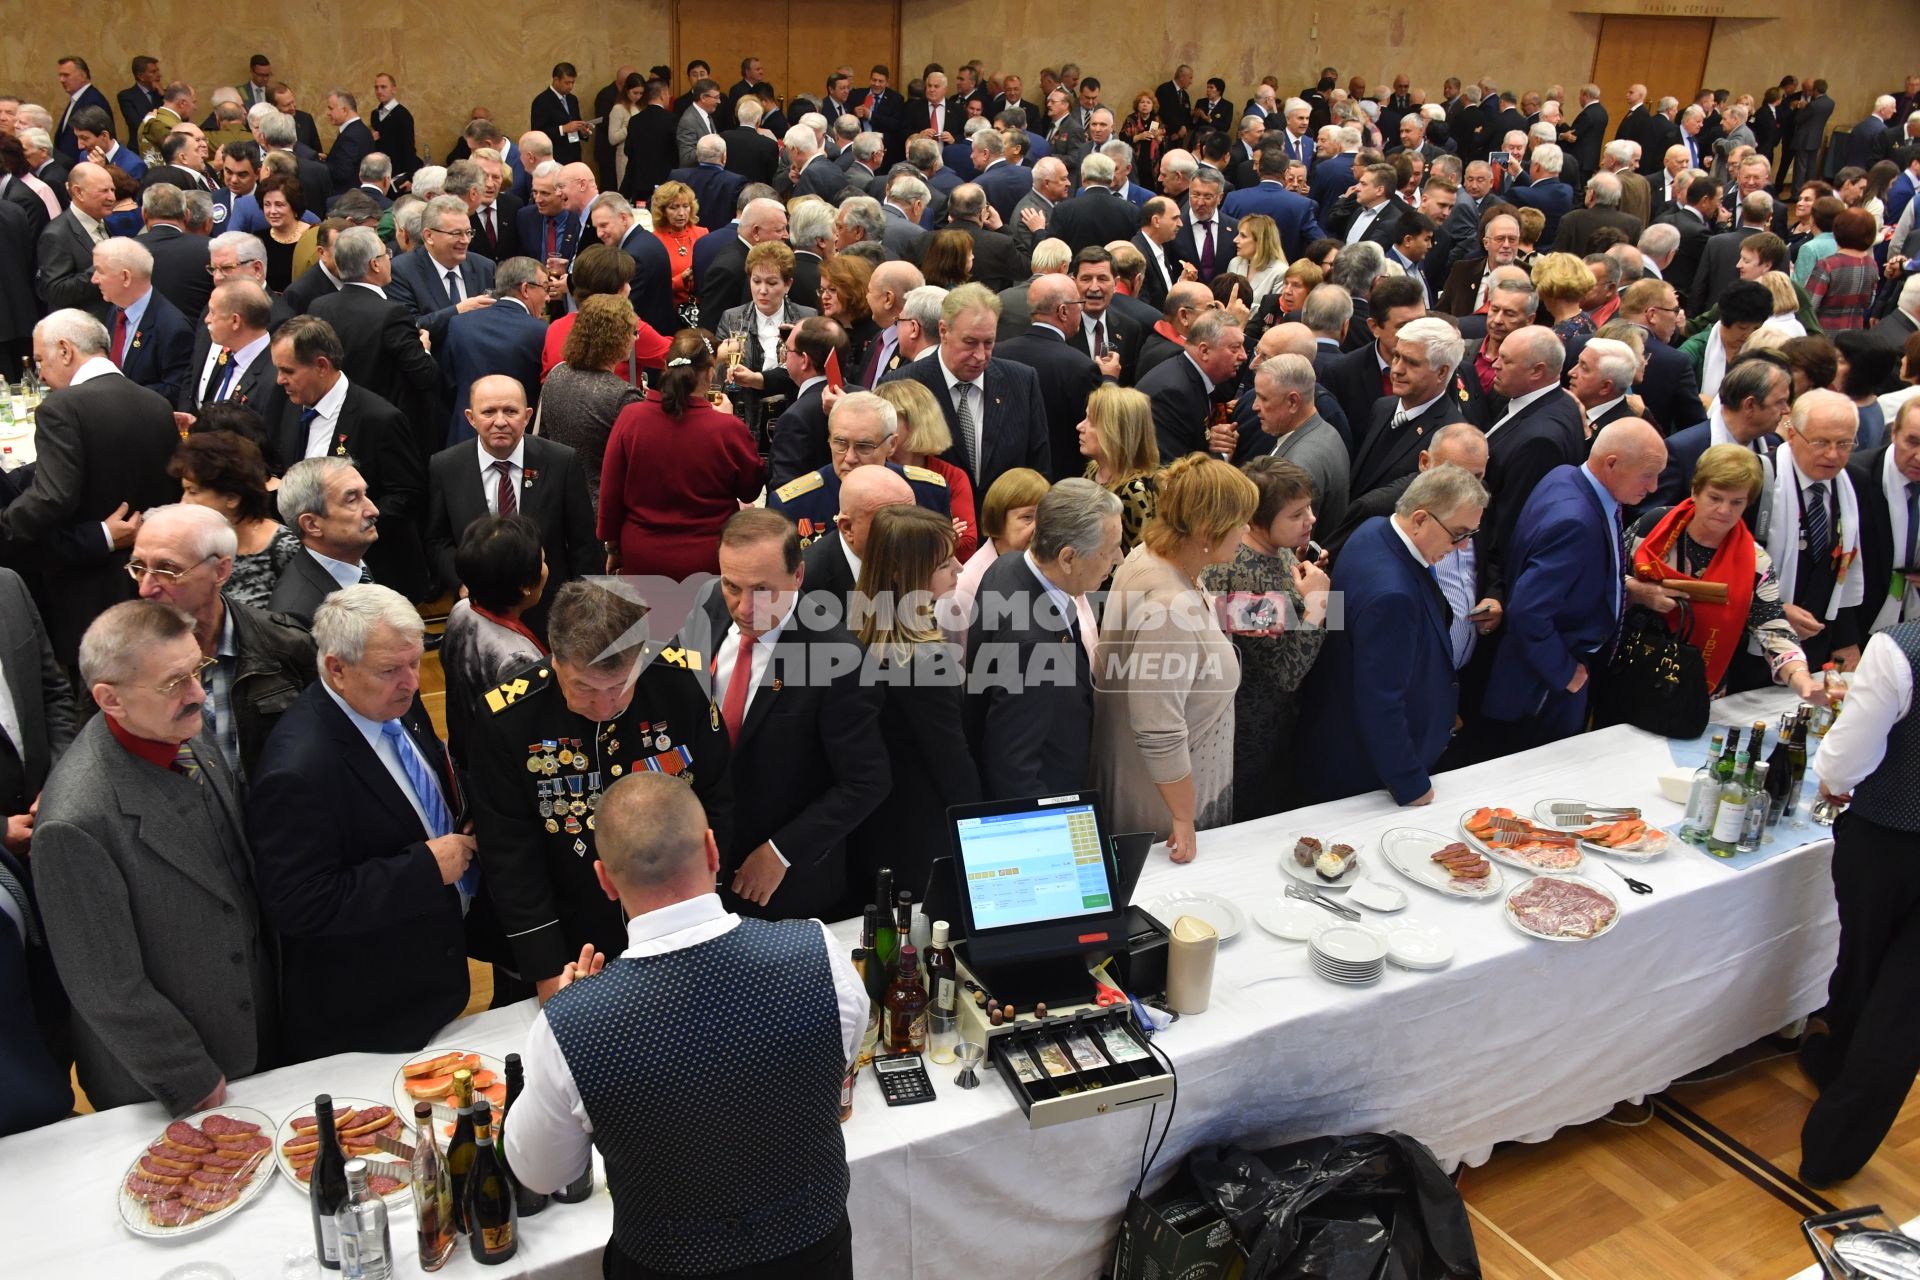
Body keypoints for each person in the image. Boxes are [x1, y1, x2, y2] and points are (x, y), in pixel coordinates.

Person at [503, 772, 863, 1279]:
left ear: (604, 879)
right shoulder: (818, 953)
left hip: (666, 1265)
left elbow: (540, 1173)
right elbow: (836, 1062)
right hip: (814, 1254)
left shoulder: (569, 1023)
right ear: (712, 851)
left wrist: (574, 1017)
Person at [33, 599, 275, 1113]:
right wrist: (187, 1075)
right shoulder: (74, 821)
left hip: (254, 1039)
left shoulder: (183, 728)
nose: (198, 694)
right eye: (174, 682)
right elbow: (105, 986)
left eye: (198, 670)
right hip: (173, 1084)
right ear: (110, 699)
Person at [469, 579, 731, 1002]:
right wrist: (547, 968)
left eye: (619, 686)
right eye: (585, 689)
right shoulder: (509, 720)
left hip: (680, 920)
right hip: (571, 936)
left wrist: (703, 915)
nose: (605, 706)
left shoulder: (682, 685)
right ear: (554, 661)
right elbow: (510, 854)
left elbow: (717, 803)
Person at [248, 585, 472, 1062]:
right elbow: (300, 904)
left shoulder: (394, 705)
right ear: (336, 668)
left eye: (415, 663)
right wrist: (426, 869)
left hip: (431, 980)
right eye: (391, 670)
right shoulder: (298, 769)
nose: (412, 682)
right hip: (370, 1020)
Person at [683, 508, 887, 920]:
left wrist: (781, 853)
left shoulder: (840, 659)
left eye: (762, 589)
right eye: (731, 585)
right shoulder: (708, 602)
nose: (743, 606)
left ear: (797, 576)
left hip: (784, 886)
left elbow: (866, 781)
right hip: (698, 865)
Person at [1799, 614, 1920, 1188]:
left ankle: (1834, 1130)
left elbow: (1846, 758)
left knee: (1868, 966)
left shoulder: (1900, 649)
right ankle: (1836, 1136)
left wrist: (1832, 776)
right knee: (1904, 1004)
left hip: (1889, 840)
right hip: (1890, 836)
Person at [1093, 455, 1255, 859]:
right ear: (1206, 530)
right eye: (1239, 522)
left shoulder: (1153, 555)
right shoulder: (1169, 610)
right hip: (1161, 810)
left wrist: (1256, 612)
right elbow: (1158, 729)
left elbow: (1194, 610)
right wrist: (1182, 818)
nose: (1246, 531)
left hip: (1153, 786)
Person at [1298, 464, 1489, 805]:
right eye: (1458, 534)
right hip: (1368, 776)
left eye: (1469, 537)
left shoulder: (1373, 529)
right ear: (1419, 519)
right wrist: (1410, 783)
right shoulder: (1393, 596)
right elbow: (1380, 700)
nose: (1461, 548)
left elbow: (1342, 623)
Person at [1, 309, 180, 667]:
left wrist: (5, 526)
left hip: (87, 589)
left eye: (41, 360)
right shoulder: (157, 404)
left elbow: (52, 497)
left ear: (65, 350)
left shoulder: (62, 407)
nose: (41, 373)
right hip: (153, 578)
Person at [1482, 419, 1669, 750]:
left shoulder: (1565, 477)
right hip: (1544, 684)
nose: (1654, 488)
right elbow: (1528, 610)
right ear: (1611, 463)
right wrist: (1564, 672)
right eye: (1647, 475)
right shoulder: (1577, 522)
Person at [128, 502, 314, 781]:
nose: (145, 588)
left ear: (221, 571)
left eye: (168, 570)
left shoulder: (284, 646)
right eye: (139, 567)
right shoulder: (122, 656)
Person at [847, 505, 979, 892]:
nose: (959, 568)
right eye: (943, 563)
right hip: (922, 833)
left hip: (874, 825)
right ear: (902, 574)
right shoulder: (923, 657)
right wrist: (980, 823)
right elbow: (951, 760)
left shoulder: (856, 628)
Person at [1629, 444, 1825, 700]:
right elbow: (1605, 577)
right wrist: (1639, 592)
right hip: (1630, 670)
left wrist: (1801, 679)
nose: (1724, 510)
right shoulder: (1653, 527)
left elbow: (1772, 626)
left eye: (1737, 502)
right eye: (1715, 497)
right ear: (1695, 491)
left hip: (1697, 686)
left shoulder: (1756, 561)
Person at [1200, 456, 1329, 820]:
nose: (1311, 520)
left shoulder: (1263, 546)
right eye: (1296, 515)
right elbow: (1288, 674)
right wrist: (1318, 603)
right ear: (1256, 520)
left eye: (1309, 508)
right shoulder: (1247, 580)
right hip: (1250, 733)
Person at [264, 315, 427, 597]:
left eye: (287, 370)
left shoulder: (379, 419)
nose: (280, 380)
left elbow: (408, 496)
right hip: (309, 573)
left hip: (374, 576)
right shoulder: (288, 405)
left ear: (321, 366)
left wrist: (345, 528)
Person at [425, 372, 596, 623]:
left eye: (510, 411)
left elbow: (584, 545)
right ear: (471, 418)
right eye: (489, 412)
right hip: (478, 610)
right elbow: (437, 540)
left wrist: (582, 607)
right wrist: (463, 582)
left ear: (527, 416)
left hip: (550, 613)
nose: (500, 421)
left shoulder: (561, 462)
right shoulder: (445, 466)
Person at [0, 566, 74, 1136]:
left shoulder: (9, 585)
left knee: (56, 1006)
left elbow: (53, 691)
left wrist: (62, 779)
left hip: (51, 832)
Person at [600, 330, 764, 580]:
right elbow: (750, 489)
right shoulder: (726, 429)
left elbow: (610, 493)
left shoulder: (631, 418)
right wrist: (729, 422)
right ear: (710, 373)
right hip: (709, 560)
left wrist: (612, 547)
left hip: (643, 556)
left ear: (665, 367)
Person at [881, 283, 1050, 498]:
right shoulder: (902, 386)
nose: (980, 355)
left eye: (988, 343)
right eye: (970, 343)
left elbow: (1039, 468)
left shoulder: (1022, 382)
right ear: (944, 331)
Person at [1752, 388, 1867, 681]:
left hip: (1816, 646)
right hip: (1752, 648)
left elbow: (1847, 569)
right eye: (1820, 442)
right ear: (1791, 434)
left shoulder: (1856, 483)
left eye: (1844, 443)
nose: (1833, 454)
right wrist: (1772, 610)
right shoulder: (1757, 480)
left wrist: (1845, 639)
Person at [439, 514, 547, 766]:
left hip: (467, 749)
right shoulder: (517, 660)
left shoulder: (462, 609)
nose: (546, 569)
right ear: (524, 586)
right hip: (498, 769)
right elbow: (529, 736)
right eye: (543, 561)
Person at [540, 294, 646, 511]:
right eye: (633, 332)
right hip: (603, 509)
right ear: (617, 338)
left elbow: (543, 437)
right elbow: (642, 465)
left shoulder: (556, 373)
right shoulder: (624, 397)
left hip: (557, 499)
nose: (636, 339)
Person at [1350, 316, 1469, 496]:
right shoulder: (1383, 407)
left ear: (1441, 372)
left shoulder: (1450, 437)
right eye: (1396, 357)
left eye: (1411, 363)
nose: (1396, 369)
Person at [715, 242, 819, 442]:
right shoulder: (732, 318)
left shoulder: (806, 318)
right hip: (744, 422)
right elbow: (717, 377)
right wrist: (725, 367)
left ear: (788, 284)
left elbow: (811, 373)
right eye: (756, 281)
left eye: (772, 283)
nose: (762, 290)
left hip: (792, 420)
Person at [267, 456, 380, 621]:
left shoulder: (350, 560)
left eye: (365, 494)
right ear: (312, 524)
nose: (373, 510)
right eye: (351, 500)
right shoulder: (298, 615)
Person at [876, 377, 977, 559]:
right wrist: (941, 535)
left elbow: (967, 543)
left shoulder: (951, 476)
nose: (877, 427)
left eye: (888, 419)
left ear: (916, 423)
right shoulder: (871, 471)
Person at [1249, 351, 1350, 532]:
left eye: (1263, 398)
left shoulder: (1298, 466)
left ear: (1293, 402)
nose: (1254, 406)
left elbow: (1287, 542)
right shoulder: (1326, 431)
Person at [952, 466, 1050, 624]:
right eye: (1027, 517)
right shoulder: (968, 583)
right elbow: (959, 647)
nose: (1038, 528)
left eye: (1045, 517)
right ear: (998, 518)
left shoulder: (1055, 569)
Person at [1074, 384, 1159, 555]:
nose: (1080, 427)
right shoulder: (1093, 471)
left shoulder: (1134, 491)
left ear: (1116, 431)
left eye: (1091, 421)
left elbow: (1137, 559)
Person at [1806, 207, 1881, 332]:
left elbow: (1809, 305)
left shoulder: (1827, 265)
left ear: (1838, 231)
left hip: (1824, 335)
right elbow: (1869, 303)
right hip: (1854, 337)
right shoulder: (1872, 264)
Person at [649, 179, 705, 314]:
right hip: (671, 312)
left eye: (685, 206)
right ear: (662, 211)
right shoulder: (654, 240)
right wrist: (681, 280)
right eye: (673, 208)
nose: (681, 213)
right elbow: (653, 287)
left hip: (701, 309)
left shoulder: (702, 233)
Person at [253, 172, 316, 293]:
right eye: (267, 205)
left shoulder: (312, 237)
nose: (272, 211)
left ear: (294, 206)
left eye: (279, 205)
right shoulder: (257, 239)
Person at [820, 254, 879, 376]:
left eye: (832, 290)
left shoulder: (876, 331)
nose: (824, 296)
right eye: (822, 290)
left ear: (853, 290)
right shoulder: (826, 328)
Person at [1225, 212, 1287, 304]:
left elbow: (1273, 310)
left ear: (1260, 241)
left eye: (1243, 236)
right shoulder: (1235, 263)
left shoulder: (1280, 272)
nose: (1235, 240)